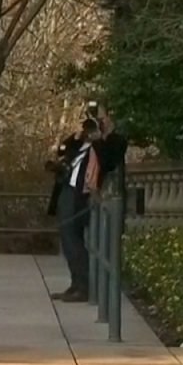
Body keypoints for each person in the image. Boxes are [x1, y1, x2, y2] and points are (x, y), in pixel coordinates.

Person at [46, 105, 123, 303]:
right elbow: (62, 151)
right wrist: (78, 136)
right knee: (68, 240)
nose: (99, 123)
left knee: (76, 241)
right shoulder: (83, 143)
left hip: (84, 195)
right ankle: (76, 284)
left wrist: (99, 140)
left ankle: (84, 287)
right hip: (67, 189)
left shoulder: (114, 142)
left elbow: (108, 162)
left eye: (103, 119)